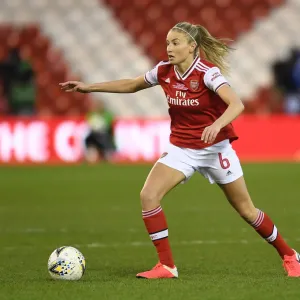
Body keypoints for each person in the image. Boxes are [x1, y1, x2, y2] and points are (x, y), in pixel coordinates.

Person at [60, 22, 300, 279]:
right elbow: (132, 84)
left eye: (175, 43)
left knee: (246, 210)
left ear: (192, 47)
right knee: (148, 196)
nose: (169, 48)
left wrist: (217, 124)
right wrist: (89, 87)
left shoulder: (208, 73)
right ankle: (166, 266)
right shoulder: (164, 71)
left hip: (215, 149)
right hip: (181, 148)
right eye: (167, 43)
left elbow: (236, 104)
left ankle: (290, 256)